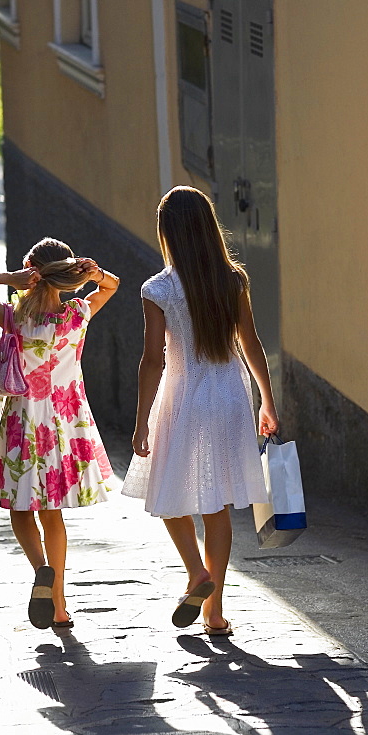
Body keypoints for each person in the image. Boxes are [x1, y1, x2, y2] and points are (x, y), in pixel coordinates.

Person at [122, 186, 279, 636]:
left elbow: (153, 360)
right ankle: (215, 612)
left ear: (167, 232)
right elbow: (251, 344)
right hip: (229, 395)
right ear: (210, 228)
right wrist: (267, 400)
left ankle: (196, 573)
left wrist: (140, 422)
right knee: (218, 506)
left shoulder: (159, 289)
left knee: (166, 490)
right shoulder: (233, 280)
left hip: (184, 395)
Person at [0, 237, 120, 633]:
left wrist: (8, 277)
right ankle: (59, 607)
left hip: (25, 419)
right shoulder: (77, 314)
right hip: (67, 419)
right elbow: (112, 286)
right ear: (68, 271)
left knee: (21, 509)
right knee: (51, 512)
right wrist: (96, 272)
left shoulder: (14, 318)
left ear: (30, 271)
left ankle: (41, 570)